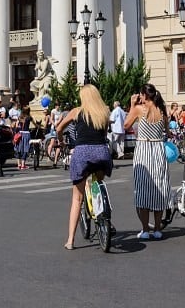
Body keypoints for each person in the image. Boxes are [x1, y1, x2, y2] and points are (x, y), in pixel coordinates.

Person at [56, 84, 113, 250]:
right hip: (102, 153)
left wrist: (60, 140)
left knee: (77, 199)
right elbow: (103, 135)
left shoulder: (76, 112)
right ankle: (103, 212)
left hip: (82, 153)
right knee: (97, 181)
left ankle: (70, 240)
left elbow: (59, 128)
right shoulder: (103, 113)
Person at [124, 84, 170, 240]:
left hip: (143, 149)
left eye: (140, 94)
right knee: (159, 188)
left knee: (143, 190)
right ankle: (157, 229)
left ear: (144, 95)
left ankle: (145, 229)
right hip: (158, 150)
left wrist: (132, 105)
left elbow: (126, 125)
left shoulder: (139, 109)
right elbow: (167, 132)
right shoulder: (162, 110)